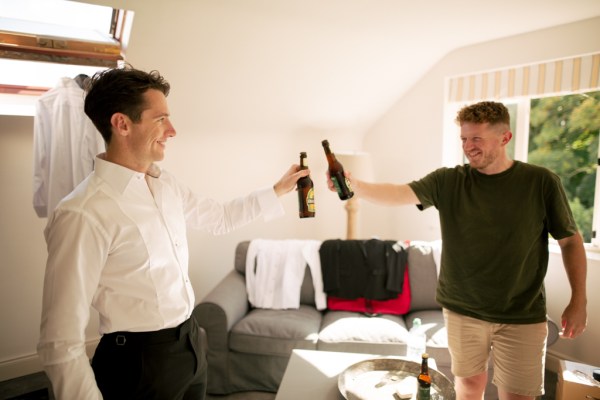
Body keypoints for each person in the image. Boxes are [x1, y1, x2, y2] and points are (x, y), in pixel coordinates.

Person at [37, 66, 309, 400]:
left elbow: (220, 218)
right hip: (138, 364)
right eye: (161, 119)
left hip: (191, 344)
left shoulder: (164, 184)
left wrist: (278, 190)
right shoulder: (81, 213)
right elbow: (59, 341)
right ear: (122, 124)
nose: (173, 131)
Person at [328, 101, 588, 400]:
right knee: (468, 387)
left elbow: (570, 241)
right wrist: (352, 184)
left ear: (505, 138)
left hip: (522, 313)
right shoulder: (449, 180)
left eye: (476, 138)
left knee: (518, 396)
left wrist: (578, 300)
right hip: (463, 309)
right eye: (464, 138)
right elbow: (397, 193)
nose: (468, 146)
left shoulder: (541, 182)